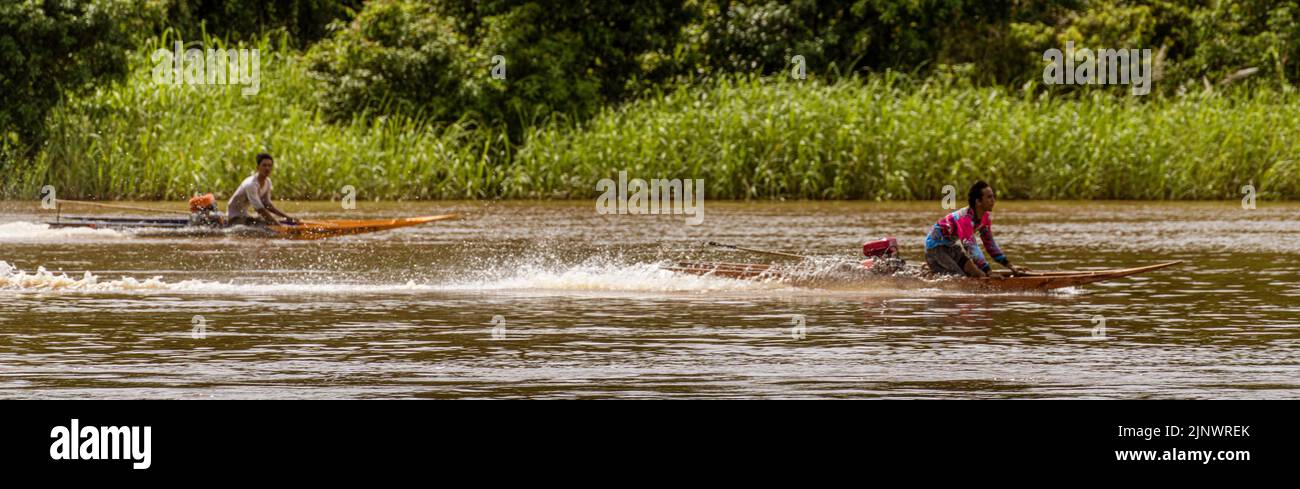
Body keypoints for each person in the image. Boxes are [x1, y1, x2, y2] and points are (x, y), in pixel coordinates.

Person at [924, 181, 1028, 277]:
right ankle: (931, 270)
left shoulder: (985, 218)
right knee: (961, 278)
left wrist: (1010, 266)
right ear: (978, 201)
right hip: (935, 248)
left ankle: (931, 269)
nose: (993, 200)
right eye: (989, 197)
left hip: (950, 247)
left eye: (993, 197)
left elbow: (990, 245)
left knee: (977, 273)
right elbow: (971, 247)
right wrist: (988, 272)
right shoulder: (964, 219)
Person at [227, 153, 298, 226]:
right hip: (234, 218)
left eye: (269, 166)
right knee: (265, 225)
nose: (267, 168)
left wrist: (288, 218)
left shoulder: (268, 182)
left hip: (245, 215)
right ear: (257, 167)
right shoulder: (251, 184)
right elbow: (259, 209)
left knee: (265, 222)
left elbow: (267, 205)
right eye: (264, 165)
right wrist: (277, 224)